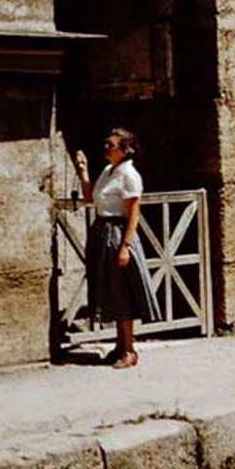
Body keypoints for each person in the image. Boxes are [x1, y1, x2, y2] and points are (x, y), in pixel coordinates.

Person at [74, 127, 161, 369]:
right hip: (102, 230)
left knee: (123, 289)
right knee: (111, 289)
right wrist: (83, 172)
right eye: (106, 143)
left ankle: (129, 349)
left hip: (118, 232)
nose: (106, 148)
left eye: (111, 145)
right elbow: (91, 199)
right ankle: (120, 344)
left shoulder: (129, 175)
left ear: (125, 150)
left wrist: (125, 246)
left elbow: (133, 213)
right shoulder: (108, 171)